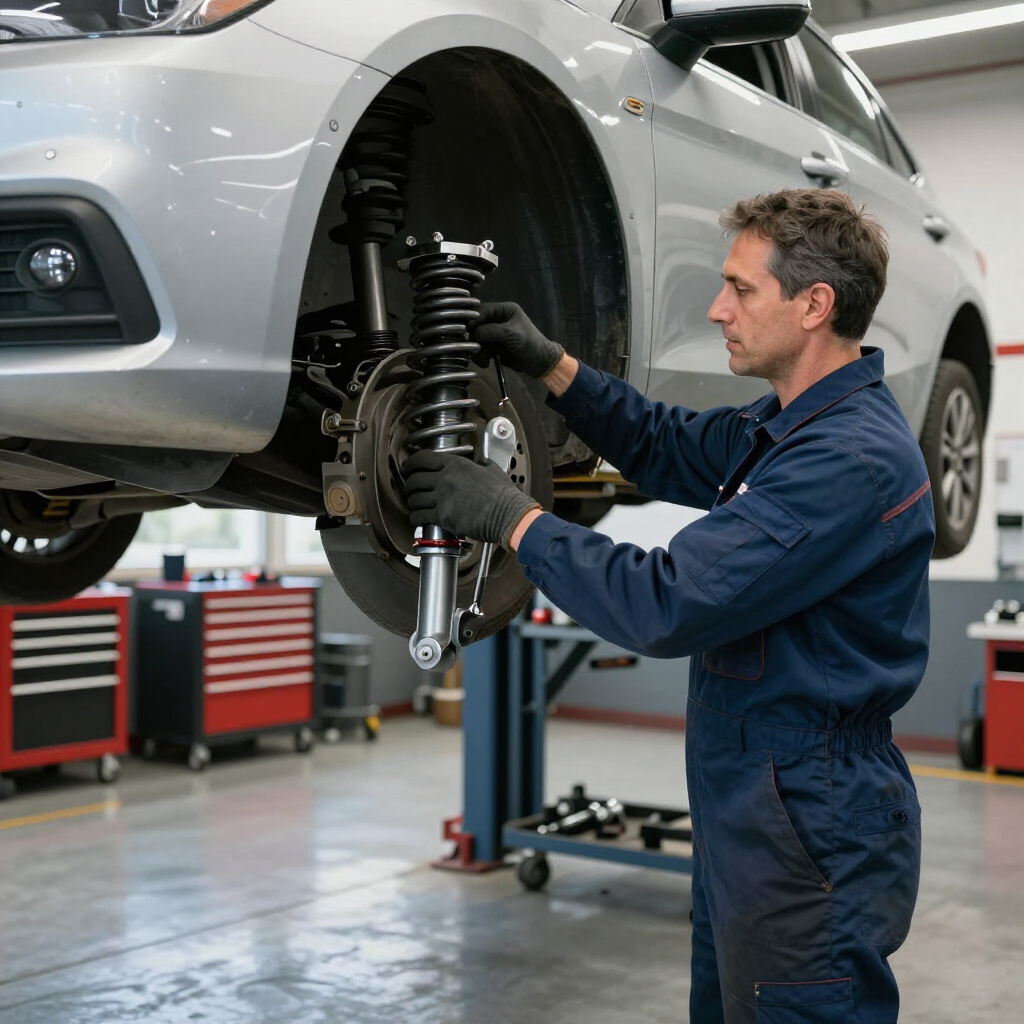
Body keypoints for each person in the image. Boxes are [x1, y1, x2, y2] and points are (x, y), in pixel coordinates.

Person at [403, 188, 934, 1024]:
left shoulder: (847, 460)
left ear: (814, 305)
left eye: (741, 289)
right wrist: (553, 367)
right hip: (760, 810)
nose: (718, 309)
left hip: (809, 820)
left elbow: (666, 602)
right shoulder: (790, 427)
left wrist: (513, 521)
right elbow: (669, 443)